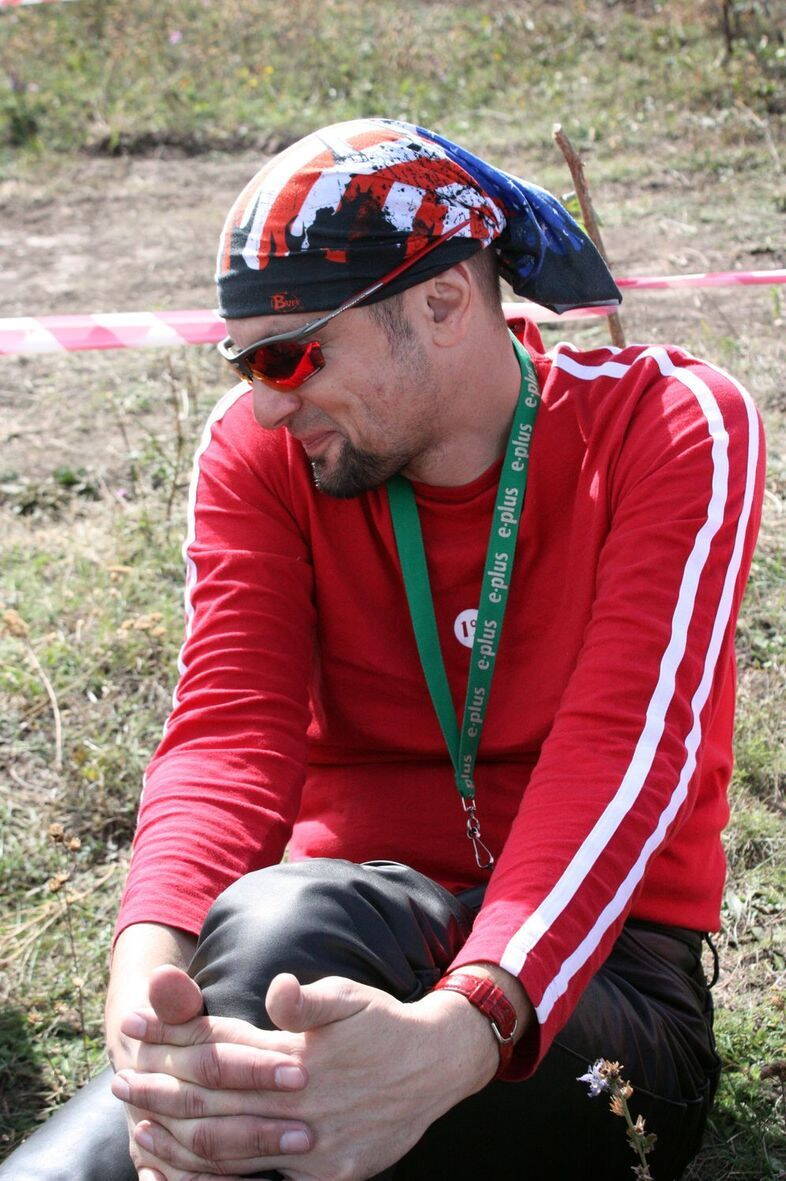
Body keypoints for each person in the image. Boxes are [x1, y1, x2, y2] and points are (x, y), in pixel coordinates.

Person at [1, 118, 764, 1181]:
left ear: (444, 302)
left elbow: (623, 757)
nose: (266, 402)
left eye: (289, 354)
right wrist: (148, 983)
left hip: (594, 982)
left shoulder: (668, 426)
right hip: (323, 947)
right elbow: (228, 734)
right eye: (243, 363)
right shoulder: (258, 454)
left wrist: (464, 1026)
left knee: (280, 946)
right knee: (283, 932)